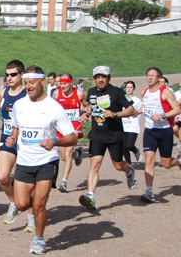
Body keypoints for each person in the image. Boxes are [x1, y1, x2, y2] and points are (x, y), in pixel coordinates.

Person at [5, 66, 77, 255]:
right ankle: (33, 212)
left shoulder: (54, 107)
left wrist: (55, 141)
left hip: (47, 161)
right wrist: (12, 138)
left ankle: (39, 239)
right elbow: (16, 128)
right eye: (26, 83)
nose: (28, 86)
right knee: (21, 204)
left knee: (38, 204)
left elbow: (73, 137)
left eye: (32, 82)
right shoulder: (19, 105)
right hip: (24, 161)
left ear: (42, 82)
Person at [78, 66, 138, 212]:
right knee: (94, 164)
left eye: (103, 76)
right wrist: (86, 114)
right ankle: (90, 197)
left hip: (114, 136)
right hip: (97, 135)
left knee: (118, 165)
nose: (100, 79)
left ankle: (129, 171)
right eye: (97, 77)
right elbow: (91, 107)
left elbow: (131, 110)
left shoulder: (116, 92)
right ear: (94, 79)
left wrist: (115, 114)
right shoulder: (91, 92)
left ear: (109, 78)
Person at [0, 60, 36, 232]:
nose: (9, 77)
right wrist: (1, 133)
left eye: (13, 74)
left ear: (21, 75)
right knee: (3, 177)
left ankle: (32, 217)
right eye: (7, 74)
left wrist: (16, 134)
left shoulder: (28, 95)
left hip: (26, 141)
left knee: (28, 183)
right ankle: (14, 202)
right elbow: (6, 117)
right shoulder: (5, 91)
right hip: (8, 138)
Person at [139, 67, 181, 203]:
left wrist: (162, 115)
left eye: (153, 76)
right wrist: (136, 112)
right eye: (148, 75)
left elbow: (177, 109)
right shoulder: (144, 92)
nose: (150, 78)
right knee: (149, 160)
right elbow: (145, 107)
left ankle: (179, 161)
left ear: (158, 78)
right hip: (150, 131)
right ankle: (149, 192)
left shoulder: (165, 92)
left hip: (164, 131)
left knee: (166, 164)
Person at [52, 73, 87, 193]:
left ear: (71, 83)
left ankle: (64, 181)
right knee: (63, 156)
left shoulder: (79, 94)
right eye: (61, 83)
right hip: (61, 127)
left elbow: (88, 106)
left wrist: (86, 114)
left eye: (65, 83)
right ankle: (77, 154)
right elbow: (50, 107)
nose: (62, 86)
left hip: (74, 126)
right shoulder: (56, 93)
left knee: (67, 154)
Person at [121, 81, 143, 165]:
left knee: (129, 145)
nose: (129, 89)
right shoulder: (122, 99)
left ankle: (135, 150)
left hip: (133, 126)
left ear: (133, 88)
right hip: (123, 126)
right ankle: (129, 164)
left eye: (130, 87)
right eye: (127, 87)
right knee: (123, 147)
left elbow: (141, 109)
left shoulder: (137, 100)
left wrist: (137, 112)